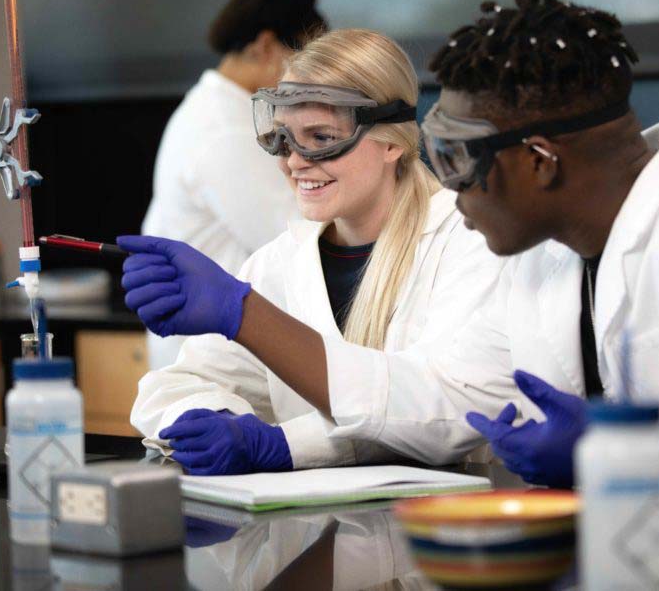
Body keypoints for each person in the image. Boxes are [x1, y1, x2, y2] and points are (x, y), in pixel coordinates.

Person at [119, 0, 659, 500]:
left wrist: (637, 458)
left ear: (540, 160)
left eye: (463, 160)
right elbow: (448, 399)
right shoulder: (545, 259)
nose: (449, 185)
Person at [124, 28, 505, 474]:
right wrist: (207, 415)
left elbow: (446, 410)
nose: (293, 161)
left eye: (321, 138)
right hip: (317, 533)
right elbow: (178, 384)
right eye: (284, 137)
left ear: (391, 142)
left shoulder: (466, 242)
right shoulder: (280, 262)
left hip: (441, 527)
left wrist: (285, 445)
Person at [140, 0, 325, 370]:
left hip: (220, 343)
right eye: (303, 57)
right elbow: (292, 236)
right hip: (212, 358)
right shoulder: (224, 129)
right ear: (265, 46)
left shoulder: (218, 111)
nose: (309, 78)